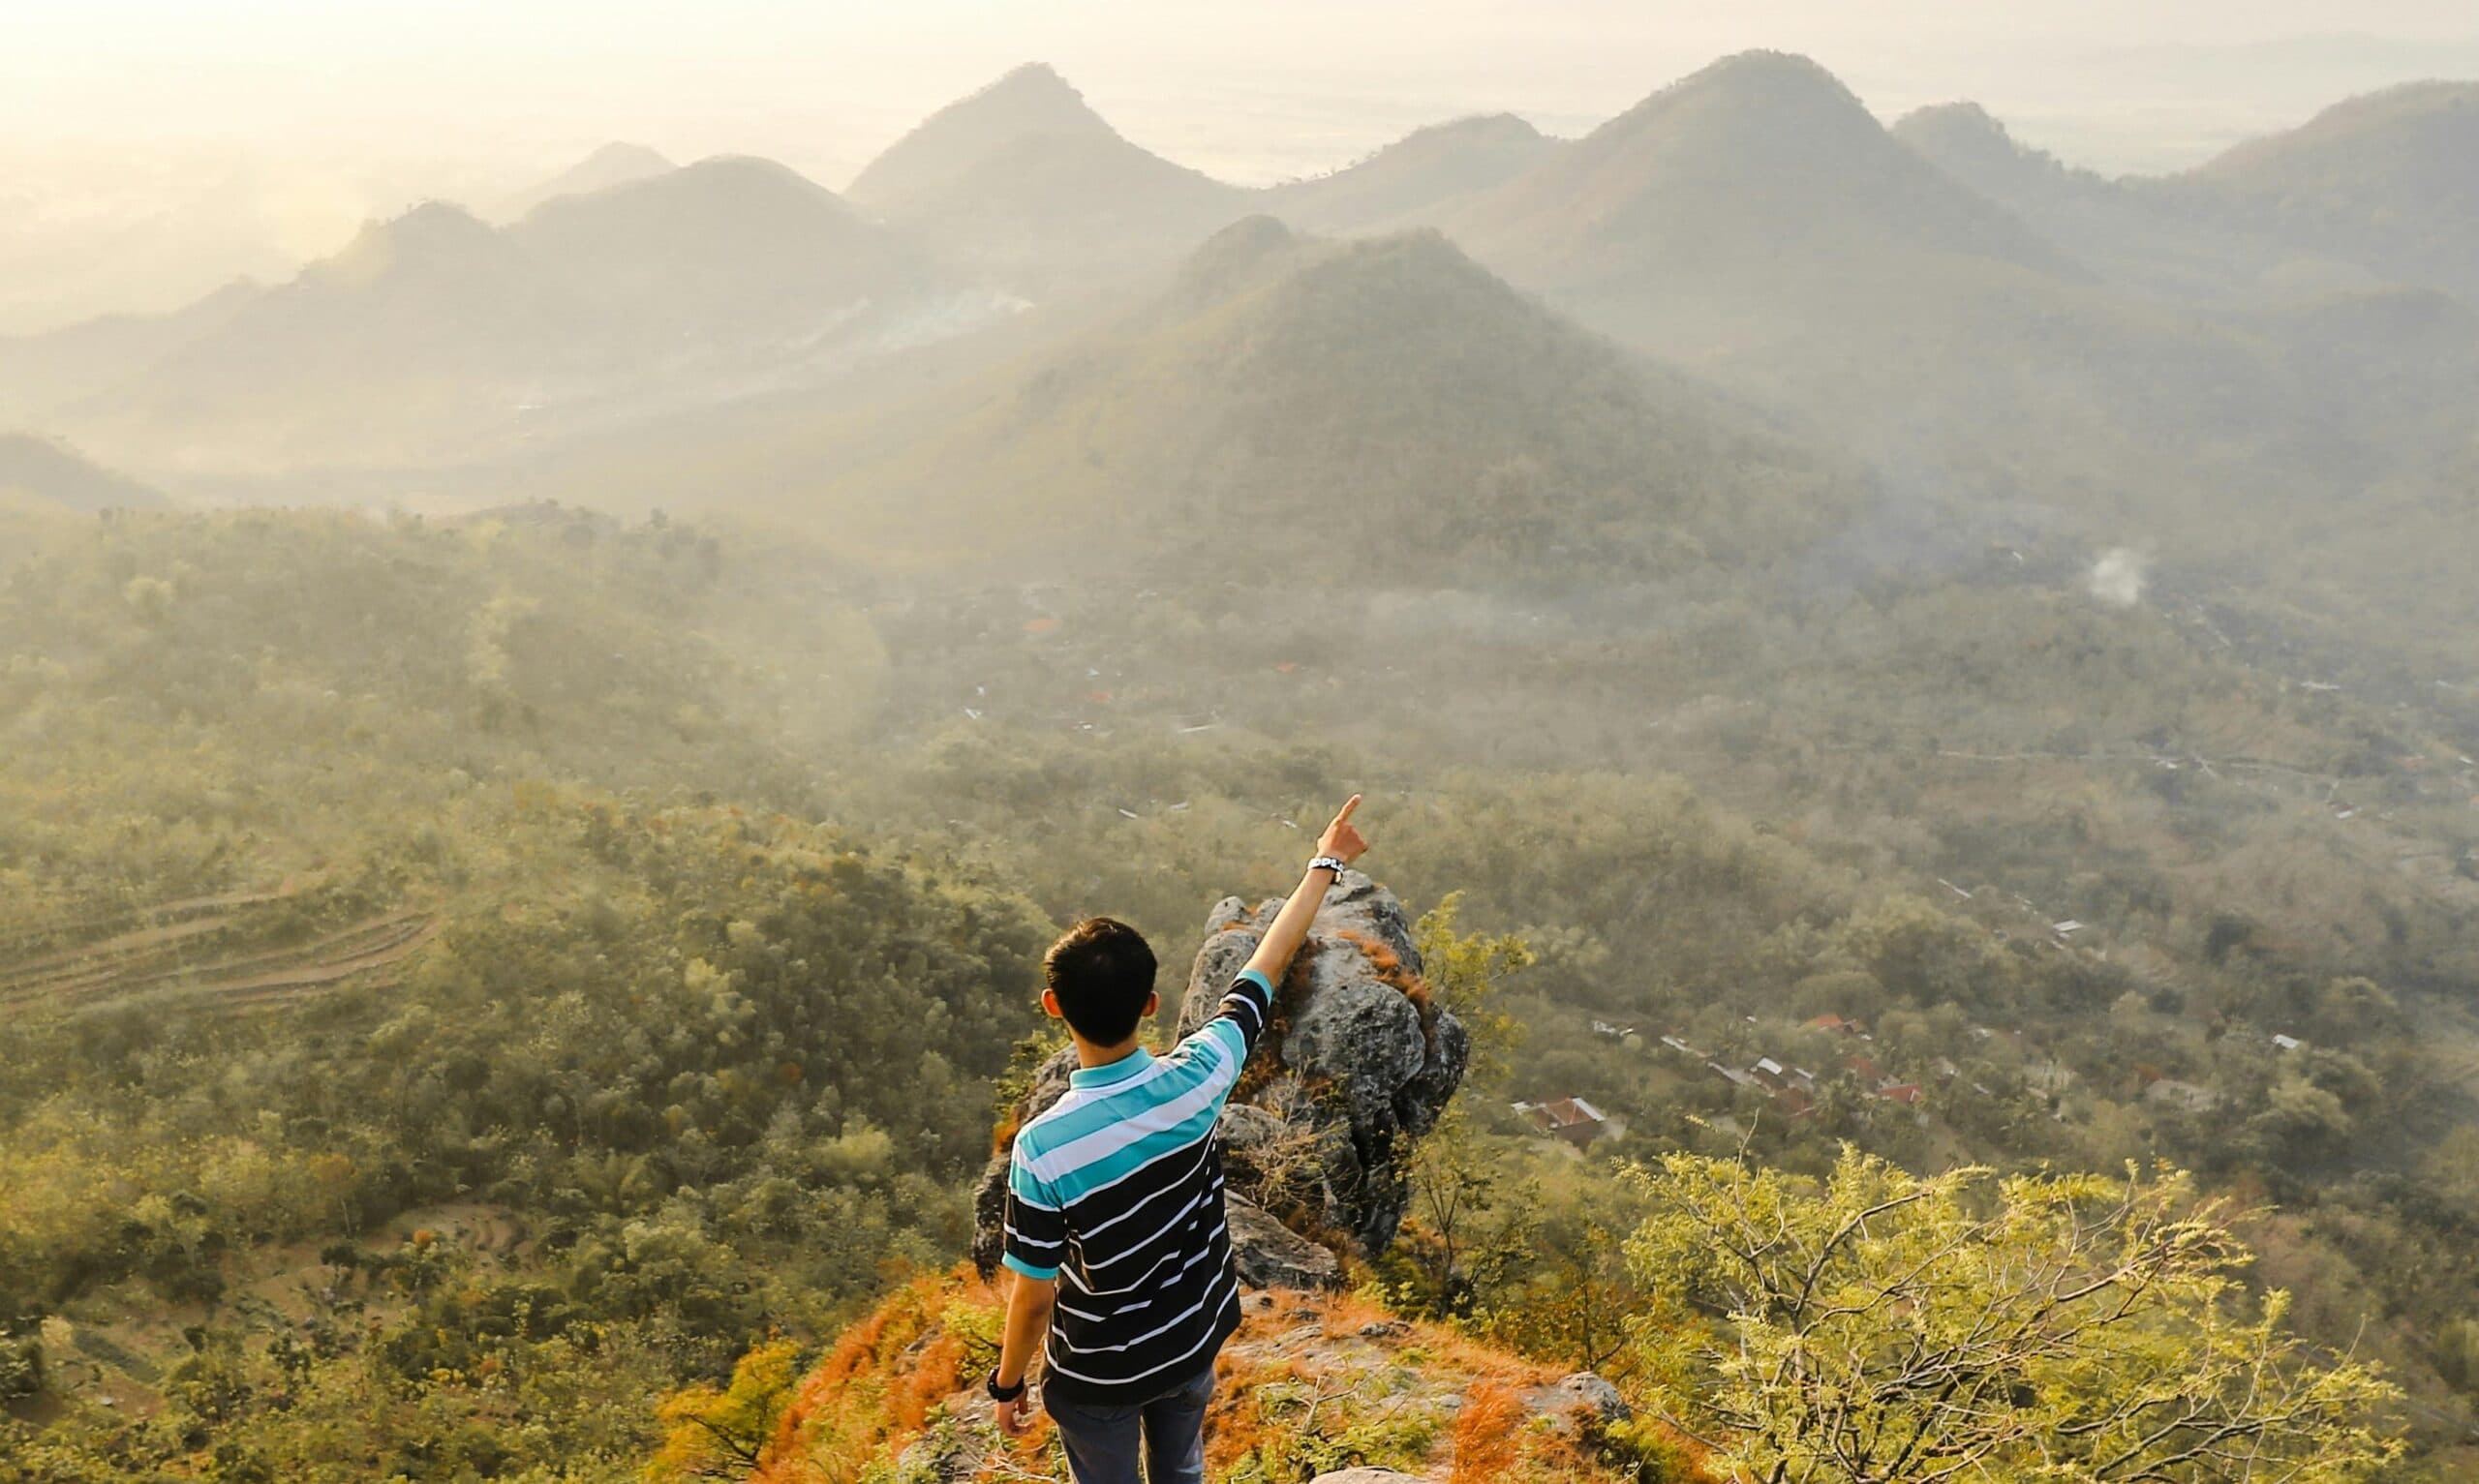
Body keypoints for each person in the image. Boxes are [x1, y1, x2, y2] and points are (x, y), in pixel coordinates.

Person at [986, 794, 1372, 1484]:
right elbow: (1267, 964)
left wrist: (1008, 1383)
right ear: (1150, 1004)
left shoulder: (1044, 1148)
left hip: (1099, 1372)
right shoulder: (1202, 1072)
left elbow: (1035, 1295)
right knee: (1182, 1469)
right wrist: (1326, 860)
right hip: (1192, 1337)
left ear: (1053, 1007)